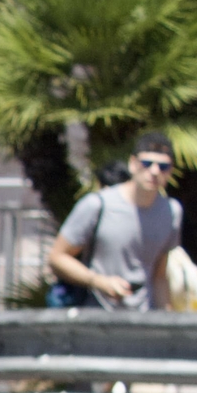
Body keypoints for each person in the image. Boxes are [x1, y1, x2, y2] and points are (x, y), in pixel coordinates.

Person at [45, 133, 183, 311]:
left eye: (163, 166)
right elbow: (56, 257)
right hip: (97, 314)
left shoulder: (172, 211)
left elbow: (160, 275)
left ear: (170, 171)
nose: (155, 171)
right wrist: (99, 281)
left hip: (144, 320)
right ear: (133, 164)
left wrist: (166, 321)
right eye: (147, 164)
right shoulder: (97, 204)